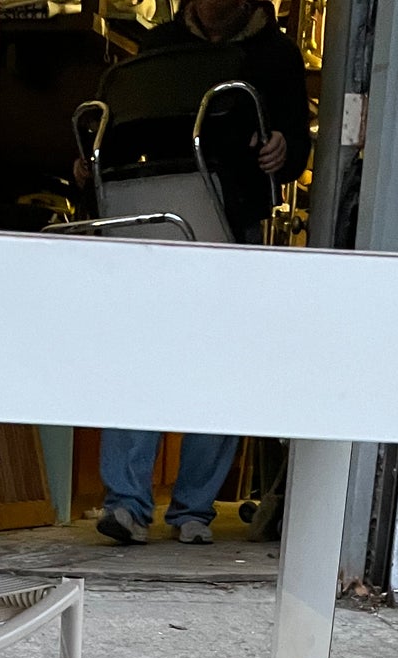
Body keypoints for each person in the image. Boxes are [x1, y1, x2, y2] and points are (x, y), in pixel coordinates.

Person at [92, 0, 312, 546]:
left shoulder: (275, 56)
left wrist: (284, 145)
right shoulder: (159, 47)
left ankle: (192, 506)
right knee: (145, 356)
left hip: (226, 211)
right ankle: (130, 503)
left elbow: (297, 144)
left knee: (220, 360)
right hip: (162, 203)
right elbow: (119, 126)